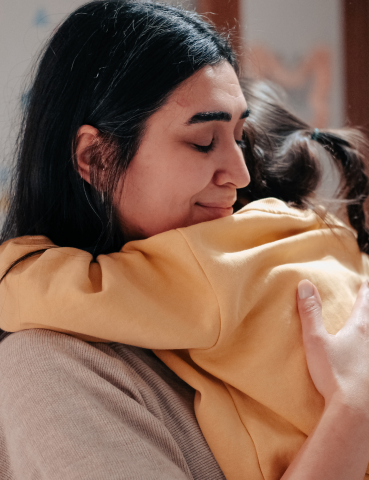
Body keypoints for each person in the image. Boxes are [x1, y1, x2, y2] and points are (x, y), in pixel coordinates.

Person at [1, 2, 369, 479]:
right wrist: (354, 408)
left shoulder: (207, 263)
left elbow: (39, 288)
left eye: (239, 136)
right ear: (94, 157)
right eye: (202, 142)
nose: (239, 174)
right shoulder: (52, 368)